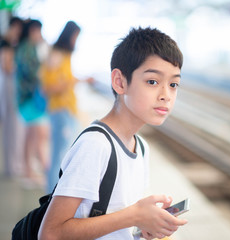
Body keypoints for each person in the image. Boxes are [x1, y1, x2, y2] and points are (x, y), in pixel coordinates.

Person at [38, 27, 187, 240]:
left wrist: (145, 226)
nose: (166, 95)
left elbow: (116, 225)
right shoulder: (95, 145)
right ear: (119, 82)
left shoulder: (141, 147)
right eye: (152, 81)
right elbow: (50, 233)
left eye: (173, 84)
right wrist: (133, 215)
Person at [40, 21, 93, 193]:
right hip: (60, 110)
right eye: (76, 36)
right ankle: (51, 195)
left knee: (63, 154)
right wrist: (76, 80)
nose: (76, 40)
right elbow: (48, 87)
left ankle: (54, 192)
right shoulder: (56, 56)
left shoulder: (63, 55)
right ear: (70, 35)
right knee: (59, 155)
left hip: (67, 110)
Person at [15, 19, 49, 184]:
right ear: (33, 30)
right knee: (38, 135)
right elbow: (34, 73)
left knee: (30, 136)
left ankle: (28, 171)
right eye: (39, 31)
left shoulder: (25, 47)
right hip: (31, 99)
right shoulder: (28, 49)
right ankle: (40, 172)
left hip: (26, 98)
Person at [0, 16, 23, 177]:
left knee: (13, 128)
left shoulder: (10, 44)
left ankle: (13, 165)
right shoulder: (6, 44)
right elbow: (7, 67)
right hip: (8, 88)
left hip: (10, 88)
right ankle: (12, 166)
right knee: (11, 127)